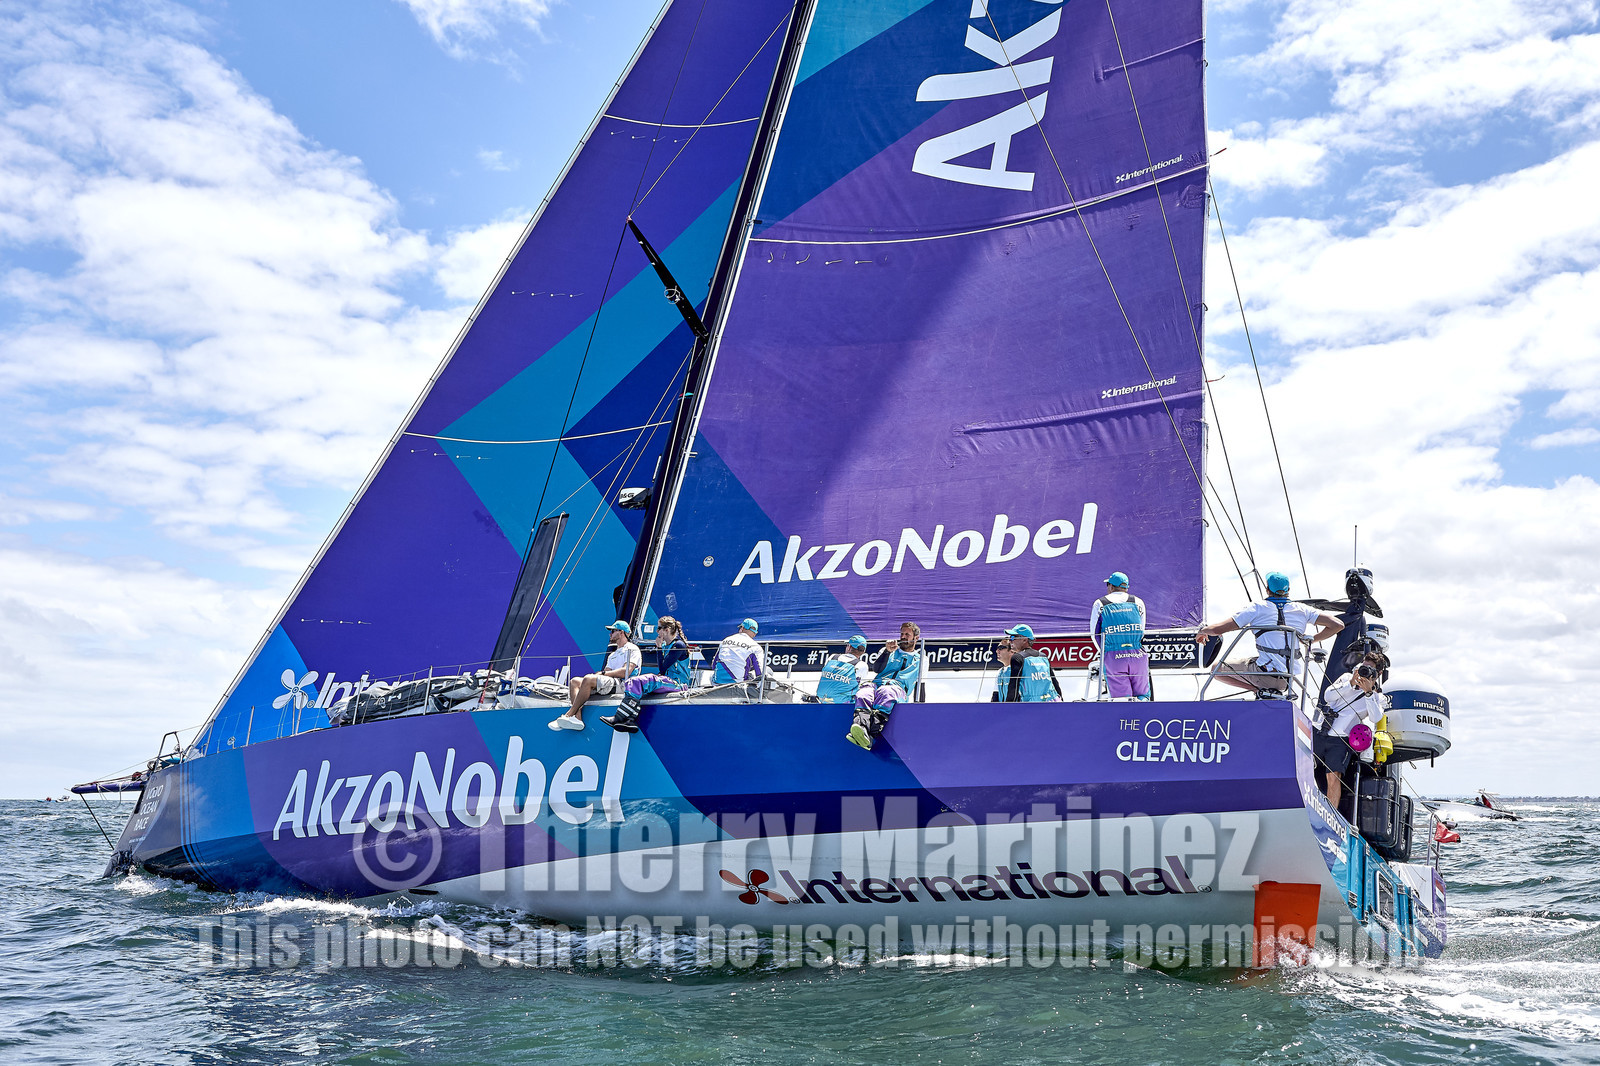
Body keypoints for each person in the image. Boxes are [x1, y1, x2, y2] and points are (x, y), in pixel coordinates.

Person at [1194, 572, 1343, 694]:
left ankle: (1257, 690)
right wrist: (1309, 640)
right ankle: (1265, 690)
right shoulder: (1302, 609)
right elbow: (1337, 625)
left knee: (1216, 669)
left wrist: (1202, 630)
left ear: (1267, 589)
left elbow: (1217, 630)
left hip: (1264, 675)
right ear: (1288, 590)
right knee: (1254, 659)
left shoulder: (1258, 607)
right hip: (1288, 681)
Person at [599, 616, 691, 733]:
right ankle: (630, 720)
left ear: (667, 630)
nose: (657, 632)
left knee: (641, 681)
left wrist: (658, 648)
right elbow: (662, 668)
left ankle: (618, 717)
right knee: (632, 682)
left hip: (678, 683)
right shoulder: (666, 646)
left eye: (659, 628)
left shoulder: (678, 645)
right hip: (667, 680)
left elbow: (663, 668)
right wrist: (660, 648)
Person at [549, 620, 641, 730]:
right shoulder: (612, 655)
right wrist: (599, 676)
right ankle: (577, 719)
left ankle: (569, 714)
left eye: (612, 631)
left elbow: (626, 671)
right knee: (575, 681)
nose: (610, 634)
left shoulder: (632, 648)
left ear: (621, 632)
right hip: (612, 682)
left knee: (588, 679)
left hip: (625, 683)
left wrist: (601, 674)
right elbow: (607, 672)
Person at [1315, 661, 1383, 808]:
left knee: (1333, 777)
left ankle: (1330, 813)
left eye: (1370, 670)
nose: (1364, 672)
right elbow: (1328, 696)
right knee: (1304, 767)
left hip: (1340, 740)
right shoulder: (1346, 678)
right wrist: (1351, 683)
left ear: (1378, 674)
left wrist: (1368, 693)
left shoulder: (1376, 697)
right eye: (1363, 667)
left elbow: (1375, 718)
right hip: (1321, 730)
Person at [848, 622, 923, 749]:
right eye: (902, 634)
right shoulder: (887, 650)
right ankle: (861, 729)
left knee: (886, 692)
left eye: (907, 634)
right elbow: (877, 669)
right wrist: (887, 652)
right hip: (877, 683)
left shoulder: (921, 659)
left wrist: (921, 706)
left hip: (898, 689)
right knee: (863, 693)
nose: (903, 637)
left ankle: (870, 734)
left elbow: (921, 685)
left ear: (916, 638)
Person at [1090, 571, 1149, 701]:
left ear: (1111, 586)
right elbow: (1141, 630)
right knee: (1143, 696)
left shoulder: (1100, 603)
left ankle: (1126, 721)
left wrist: (1105, 653)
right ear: (1126, 587)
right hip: (1137, 654)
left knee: (1122, 700)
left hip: (1113, 656)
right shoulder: (1138, 602)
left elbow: (1095, 634)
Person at [990, 623, 1062, 702]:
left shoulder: (1018, 657)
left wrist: (1008, 708)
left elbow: (1013, 687)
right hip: (1052, 701)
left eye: (1013, 637)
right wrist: (1062, 702)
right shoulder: (1043, 656)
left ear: (1025, 640)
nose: (1010, 641)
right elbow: (1055, 684)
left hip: (1032, 705)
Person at [817, 636, 871, 704]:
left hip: (821, 700)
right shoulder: (862, 665)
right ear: (863, 651)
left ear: (849, 647)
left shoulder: (832, 657)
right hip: (842, 704)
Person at [712, 618, 765, 684]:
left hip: (718, 683)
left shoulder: (725, 640)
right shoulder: (756, 647)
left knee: (712, 676)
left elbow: (713, 665)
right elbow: (760, 674)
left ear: (742, 628)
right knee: (766, 671)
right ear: (755, 634)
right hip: (737, 686)